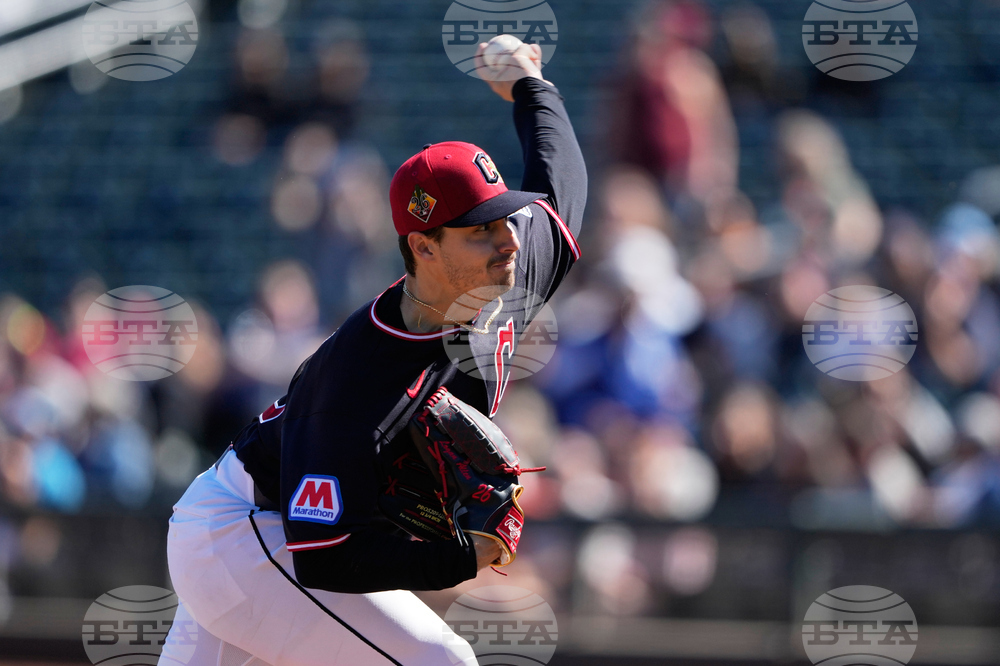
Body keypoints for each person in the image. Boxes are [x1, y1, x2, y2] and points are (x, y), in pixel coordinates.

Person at [160, 41, 586, 665]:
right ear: (425, 248)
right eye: (481, 231)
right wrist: (465, 555)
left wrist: (530, 85)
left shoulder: (507, 270)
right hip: (249, 533)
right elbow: (328, 555)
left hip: (259, 528)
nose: (508, 242)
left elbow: (561, 186)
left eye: (504, 221)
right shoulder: (360, 377)